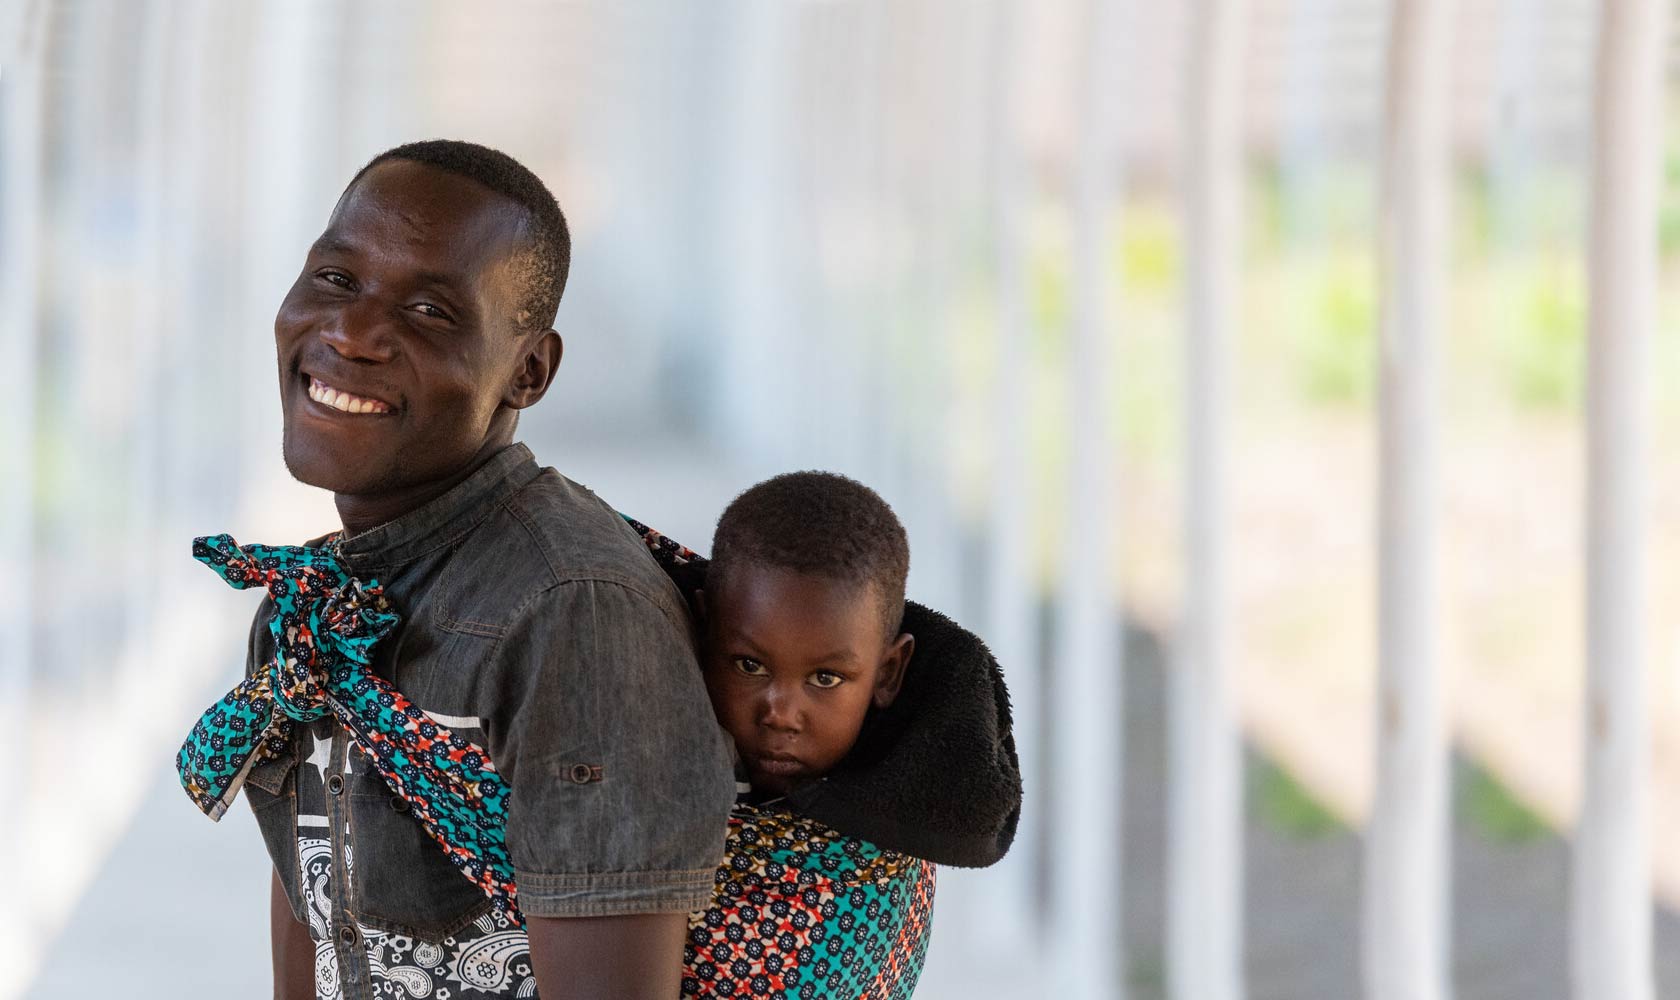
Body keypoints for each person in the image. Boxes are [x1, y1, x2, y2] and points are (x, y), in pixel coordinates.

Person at [176, 139, 737, 1000]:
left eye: (432, 311)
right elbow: (317, 908)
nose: (354, 333)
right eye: (335, 279)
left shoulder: (573, 614)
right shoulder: (311, 606)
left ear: (528, 372)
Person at [627, 472, 1023, 998]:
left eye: (826, 679)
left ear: (887, 674)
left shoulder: (892, 837)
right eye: (749, 665)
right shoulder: (630, 738)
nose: (782, 713)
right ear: (702, 631)